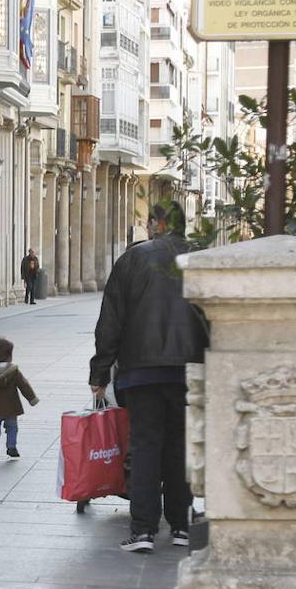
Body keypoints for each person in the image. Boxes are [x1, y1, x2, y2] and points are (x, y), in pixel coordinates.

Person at [89, 201, 208, 553]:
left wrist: (99, 371)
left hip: (141, 371)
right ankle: (180, 526)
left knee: (144, 446)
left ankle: (142, 530)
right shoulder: (201, 260)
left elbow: (111, 319)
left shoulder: (133, 258)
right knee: (179, 446)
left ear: (156, 224)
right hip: (190, 370)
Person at [0, 337, 39, 462]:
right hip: (11, 407)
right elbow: (24, 385)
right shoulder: (13, 372)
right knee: (12, 427)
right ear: (9, 356)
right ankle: (11, 447)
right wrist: (32, 399)